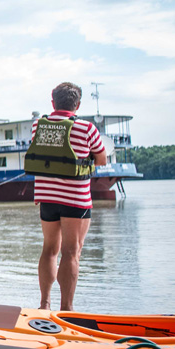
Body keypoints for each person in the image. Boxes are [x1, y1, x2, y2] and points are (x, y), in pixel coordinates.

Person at [25, 82, 107, 311]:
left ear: (53, 103)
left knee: (49, 249)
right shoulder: (87, 128)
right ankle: (67, 309)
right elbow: (101, 160)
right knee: (71, 252)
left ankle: (44, 304)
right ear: (77, 104)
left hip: (46, 197)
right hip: (75, 199)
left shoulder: (38, 127)